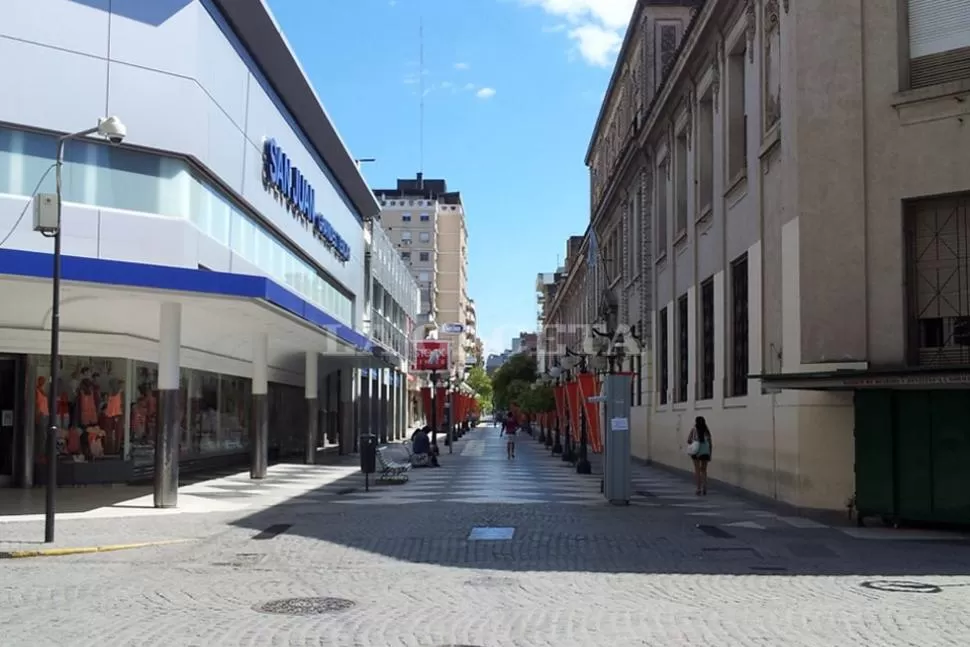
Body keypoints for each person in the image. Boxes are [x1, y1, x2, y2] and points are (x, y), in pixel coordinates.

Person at [686, 416, 713, 495]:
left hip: (696, 452)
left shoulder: (694, 429)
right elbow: (710, 443)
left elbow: (688, 440)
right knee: (704, 470)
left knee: (697, 470)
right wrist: (710, 454)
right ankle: (705, 487)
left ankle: (698, 489)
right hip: (705, 452)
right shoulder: (707, 431)